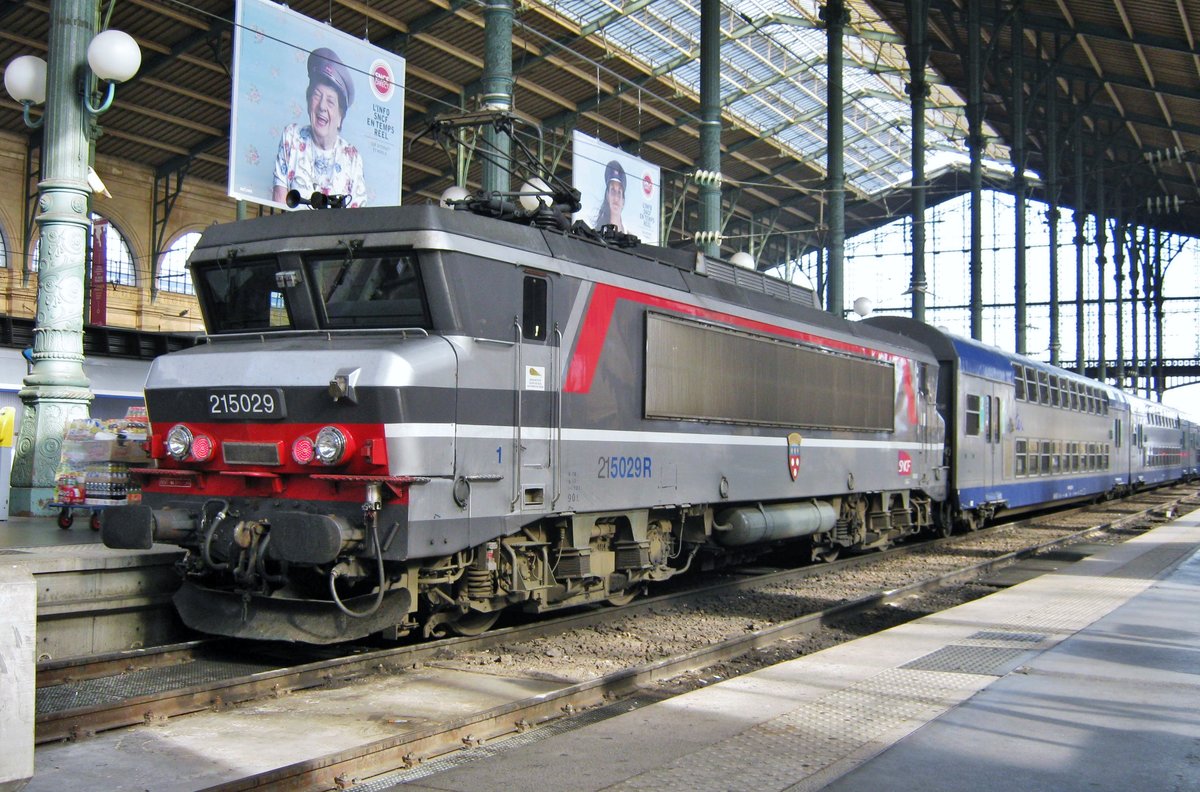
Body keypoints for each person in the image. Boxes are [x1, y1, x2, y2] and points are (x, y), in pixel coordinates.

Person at [272, 47, 368, 208]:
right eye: (317, 95)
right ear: (309, 100)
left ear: (340, 116)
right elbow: (279, 199)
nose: (322, 106)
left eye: (330, 101)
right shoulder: (292, 137)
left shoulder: (352, 158)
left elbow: (358, 218)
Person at [594, 159, 626, 232]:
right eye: (612, 191)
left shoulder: (629, 234)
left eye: (619, 192)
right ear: (607, 196)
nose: (616, 198)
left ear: (623, 201)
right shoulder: (597, 232)